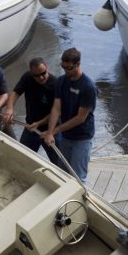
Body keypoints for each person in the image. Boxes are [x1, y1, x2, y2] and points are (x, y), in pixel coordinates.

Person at [41, 47, 97, 182]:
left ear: (78, 64)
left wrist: (56, 130)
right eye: (63, 67)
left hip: (82, 137)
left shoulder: (88, 87)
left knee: (78, 176)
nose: (66, 70)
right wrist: (49, 132)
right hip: (66, 136)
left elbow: (80, 118)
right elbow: (56, 108)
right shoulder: (61, 81)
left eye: (69, 68)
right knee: (63, 172)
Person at [3, 57, 60, 165]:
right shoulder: (27, 77)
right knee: (22, 157)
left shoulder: (56, 85)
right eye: (37, 76)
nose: (41, 77)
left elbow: (56, 112)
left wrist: (39, 123)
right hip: (30, 127)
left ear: (46, 67)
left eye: (43, 73)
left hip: (51, 130)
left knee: (58, 163)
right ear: (31, 73)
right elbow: (15, 93)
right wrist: (9, 109)